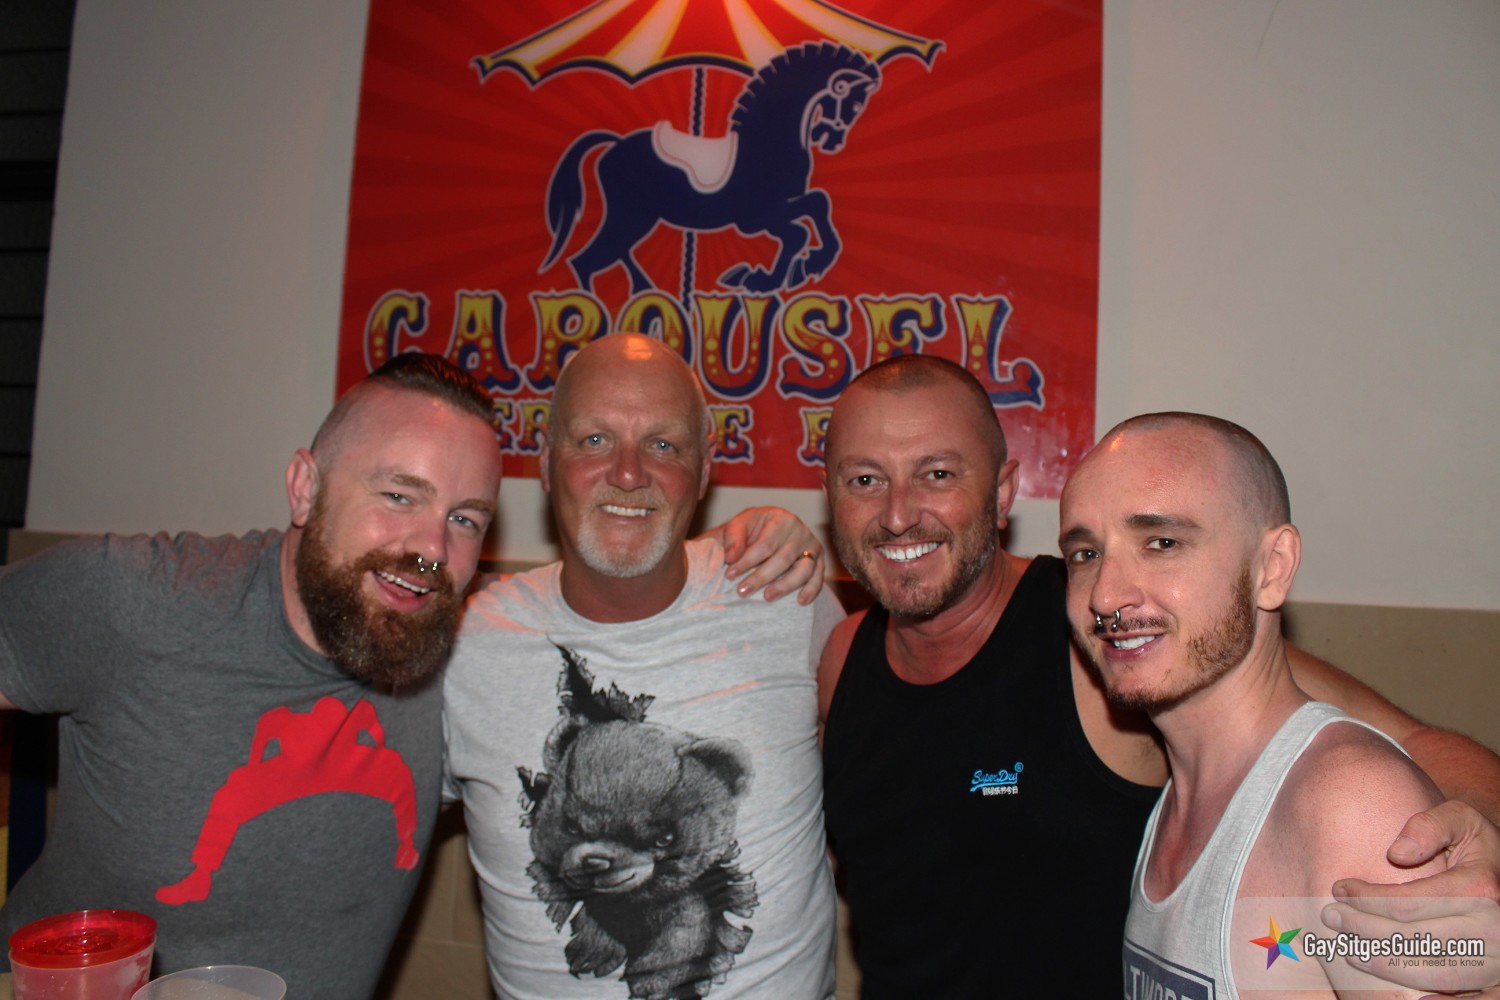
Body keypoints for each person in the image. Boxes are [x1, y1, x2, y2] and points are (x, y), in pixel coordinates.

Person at [0, 353, 822, 999]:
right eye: (398, 495)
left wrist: (778, 537)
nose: (429, 547)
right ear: (304, 486)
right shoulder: (131, 600)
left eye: (463, 518)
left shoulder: (443, 652)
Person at [817, 355, 1500, 998]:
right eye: (865, 480)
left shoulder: (1107, 637)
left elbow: (1389, 747)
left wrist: (1471, 847)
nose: (898, 514)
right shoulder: (844, 656)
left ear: (1001, 495)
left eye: (937, 474)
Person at [443, 333, 845, 999]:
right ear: (546, 464)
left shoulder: (788, 601)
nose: (628, 472)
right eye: (594, 439)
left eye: (663, 445)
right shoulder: (468, 645)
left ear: (704, 472)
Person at [1059, 412, 1454, 997]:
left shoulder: (1351, 805)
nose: (1105, 595)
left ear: (1273, 568)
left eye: (1162, 543)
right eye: (1086, 554)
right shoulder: (1180, 797)